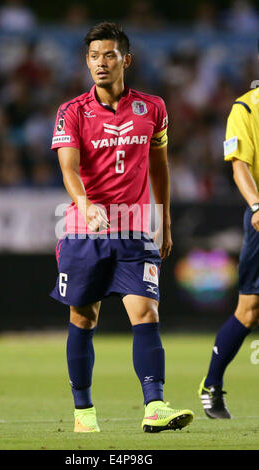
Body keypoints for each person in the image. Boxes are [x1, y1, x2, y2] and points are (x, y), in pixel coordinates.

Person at [50, 22, 194, 433]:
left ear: (125, 60)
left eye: (109, 55)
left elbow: (159, 166)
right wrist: (85, 204)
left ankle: (155, 406)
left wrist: (164, 221)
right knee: (83, 319)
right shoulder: (72, 111)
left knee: (146, 311)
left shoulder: (153, 108)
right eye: (94, 56)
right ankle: (83, 413)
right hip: (83, 230)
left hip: (134, 232)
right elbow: (68, 167)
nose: (100, 63)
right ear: (87, 61)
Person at [199, 47, 259, 418]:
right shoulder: (247, 109)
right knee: (249, 311)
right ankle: (212, 384)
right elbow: (239, 165)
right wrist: (256, 205)